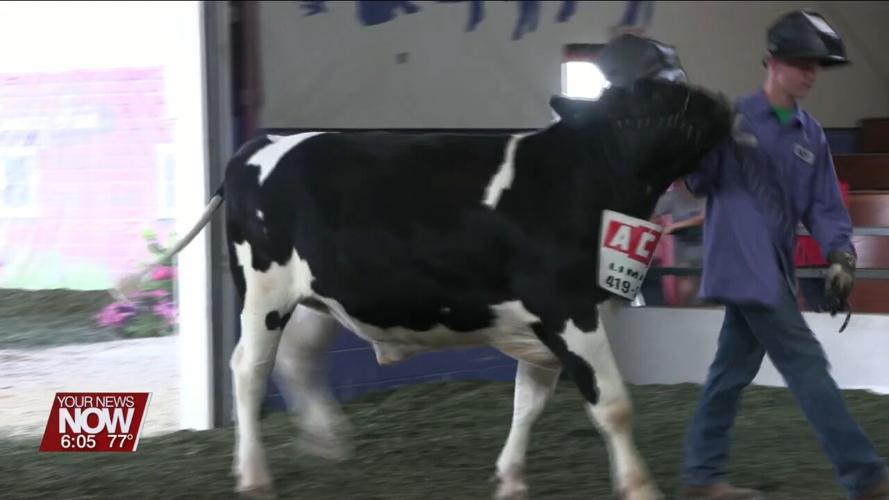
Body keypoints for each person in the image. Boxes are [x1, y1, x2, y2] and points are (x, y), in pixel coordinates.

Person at [678, 10, 889, 500]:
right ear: (772, 62)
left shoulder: (810, 134)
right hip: (742, 263)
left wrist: (841, 255)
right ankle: (868, 478)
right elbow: (696, 182)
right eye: (801, 62)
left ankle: (701, 477)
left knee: (730, 372)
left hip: (771, 267)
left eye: (817, 65)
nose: (811, 72)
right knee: (806, 362)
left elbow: (824, 206)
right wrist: (694, 140)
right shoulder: (729, 122)